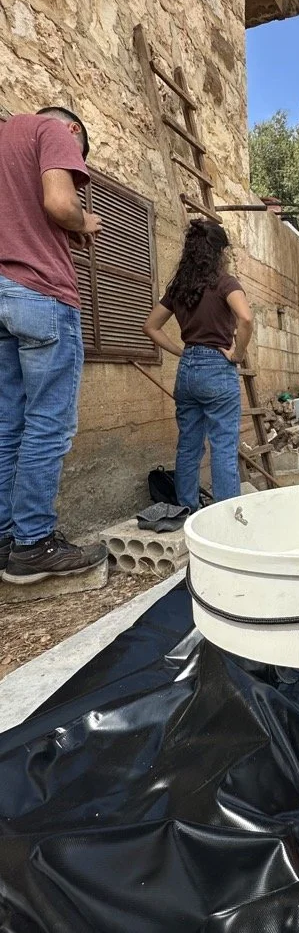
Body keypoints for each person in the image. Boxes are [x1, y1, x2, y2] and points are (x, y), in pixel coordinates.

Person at [0, 107, 107, 584]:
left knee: (8, 427)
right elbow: (59, 205)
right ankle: (35, 544)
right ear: (75, 132)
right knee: (48, 426)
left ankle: (6, 540)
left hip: (2, 290)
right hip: (41, 294)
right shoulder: (53, 130)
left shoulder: (5, 140)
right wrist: (84, 221)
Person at [143, 220, 253, 510]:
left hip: (188, 370)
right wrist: (237, 354)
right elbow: (246, 319)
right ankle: (226, 517)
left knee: (189, 445)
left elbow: (151, 326)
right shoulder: (225, 283)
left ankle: (187, 511)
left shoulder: (179, 287)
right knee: (223, 446)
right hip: (217, 368)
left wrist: (182, 352)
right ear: (220, 251)